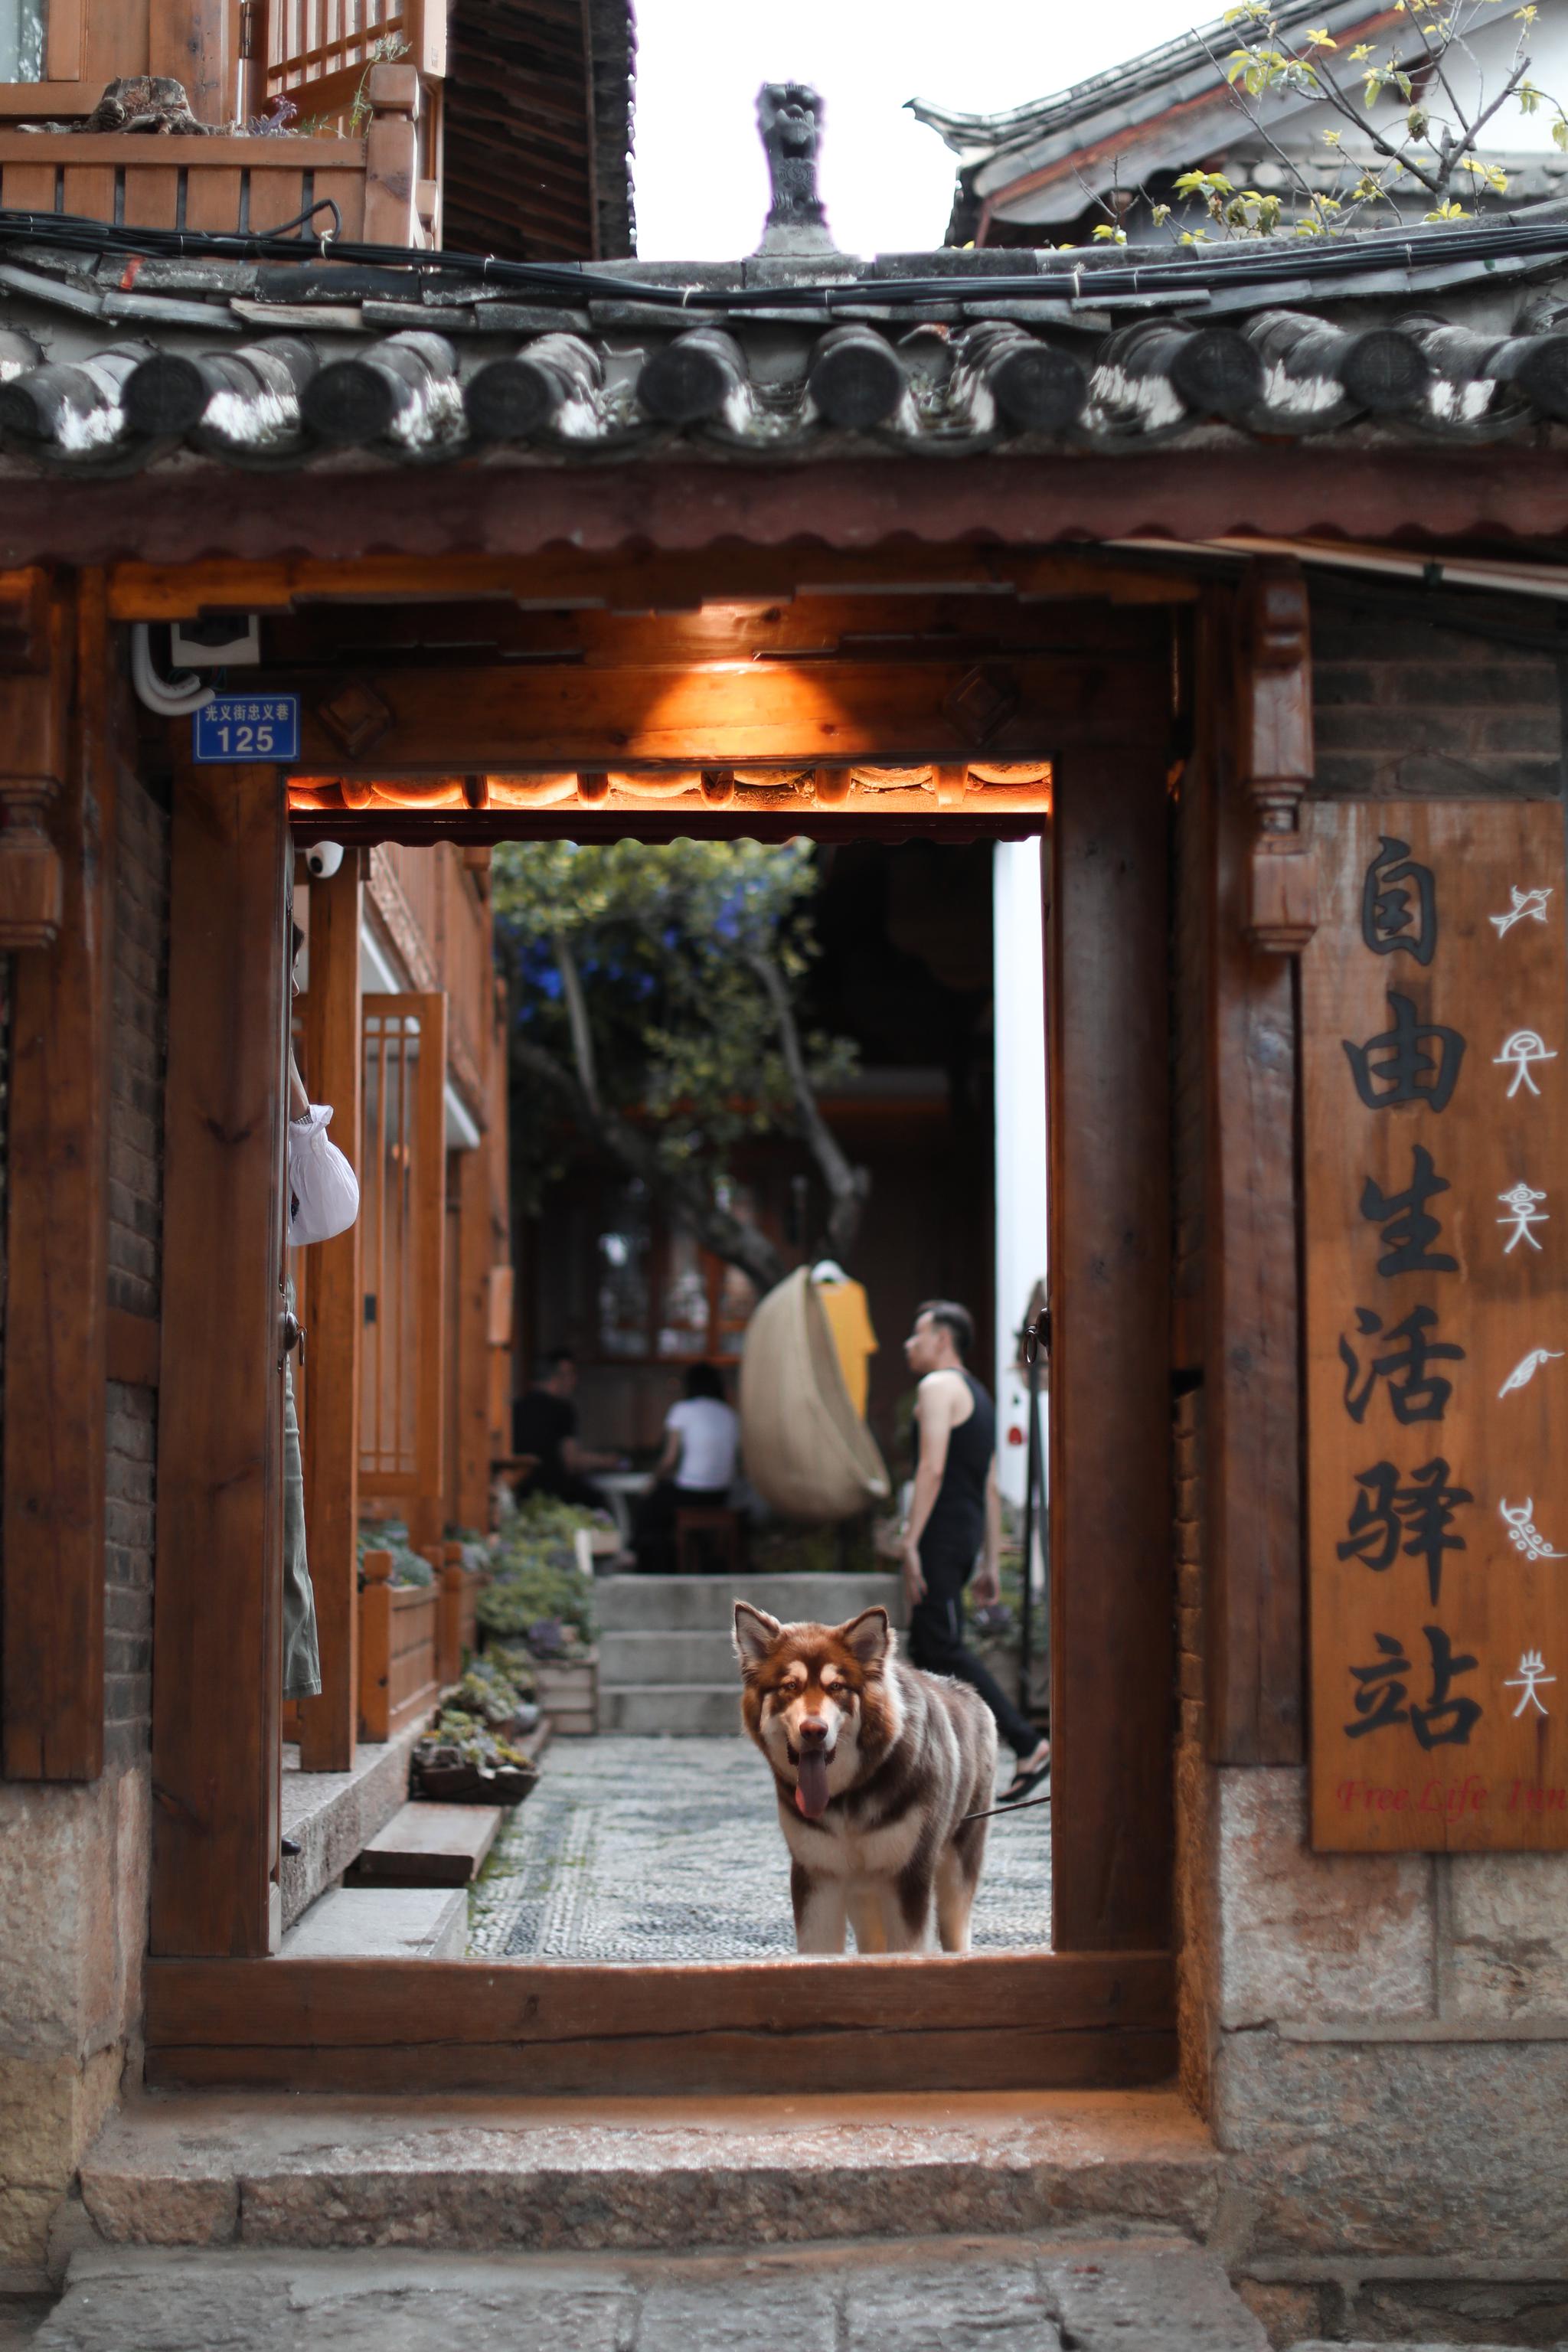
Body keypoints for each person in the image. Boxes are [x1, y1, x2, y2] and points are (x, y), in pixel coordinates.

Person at [900, 1299, 1052, 1803]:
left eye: (917, 1335)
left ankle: (1027, 1742)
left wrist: (910, 1541)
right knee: (930, 1648)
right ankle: (942, 1769)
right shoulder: (979, 1395)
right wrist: (988, 1561)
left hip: (940, 1534)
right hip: (962, 1535)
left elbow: (932, 1469)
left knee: (940, 1646)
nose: (909, 1345)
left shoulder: (938, 1387)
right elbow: (989, 1486)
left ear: (942, 1339)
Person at [285, 927, 361, 1710]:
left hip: (266, 1339)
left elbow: (333, 1210)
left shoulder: (282, 1086)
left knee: (277, 1547)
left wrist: (293, 1079)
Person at [633, 1362, 742, 1573]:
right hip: (721, 1495)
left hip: (690, 1493)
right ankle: (700, 1558)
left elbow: (669, 1459)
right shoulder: (731, 1415)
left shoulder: (682, 1410)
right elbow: (737, 1461)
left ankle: (635, 1555)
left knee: (649, 1505)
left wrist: (653, 1481)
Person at [512, 1349, 624, 1509]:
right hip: (556, 1495)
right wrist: (606, 1461)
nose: (575, 1381)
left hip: (521, 1493)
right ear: (560, 1375)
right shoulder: (562, 1409)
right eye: (573, 1375)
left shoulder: (518, 1407)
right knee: (601, 1508)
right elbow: (571, 1461)